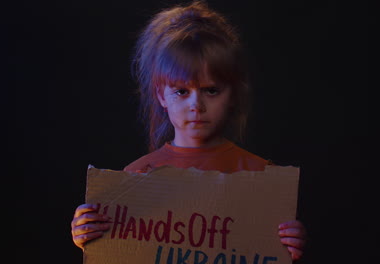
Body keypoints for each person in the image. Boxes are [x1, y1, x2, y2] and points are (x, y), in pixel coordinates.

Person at [71, 0, 307, 261]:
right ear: (161, 95)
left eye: (211, 90)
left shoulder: (260, 175)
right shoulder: (137, 178)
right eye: (182, 92)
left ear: (232, 94)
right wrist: (90, 237)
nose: (196, 105)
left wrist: (288, 246)